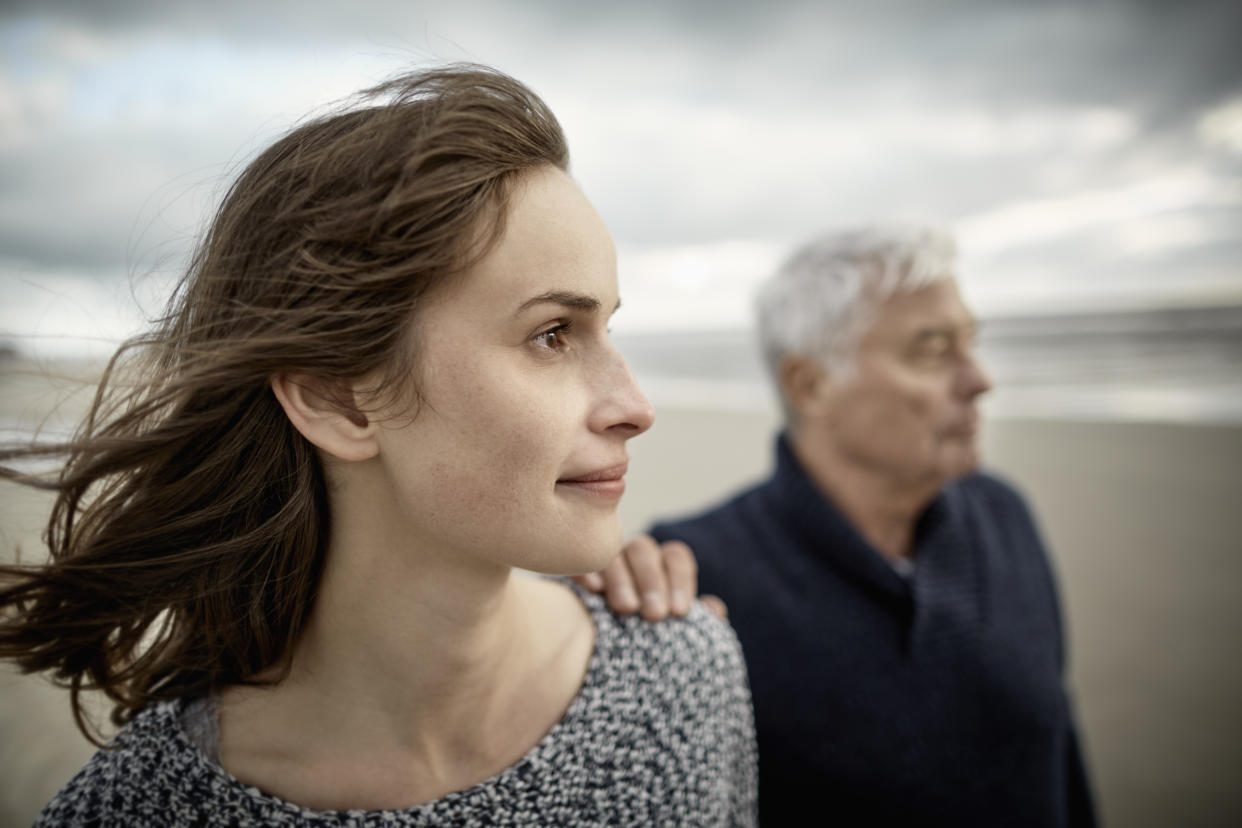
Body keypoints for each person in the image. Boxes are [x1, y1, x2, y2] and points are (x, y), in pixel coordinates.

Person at [0, 65, 757, 826]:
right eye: (552, 333)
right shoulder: (136, 811)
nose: (636, 408)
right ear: (337, 398)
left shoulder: (685, 678)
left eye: (607, 328)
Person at [588, 226, 1096, 826]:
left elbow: (1065, 762)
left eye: (970, 343)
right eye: (933, 349)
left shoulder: (1003, 514)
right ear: (811, 384)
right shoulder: (692, 573)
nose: (980, 379)